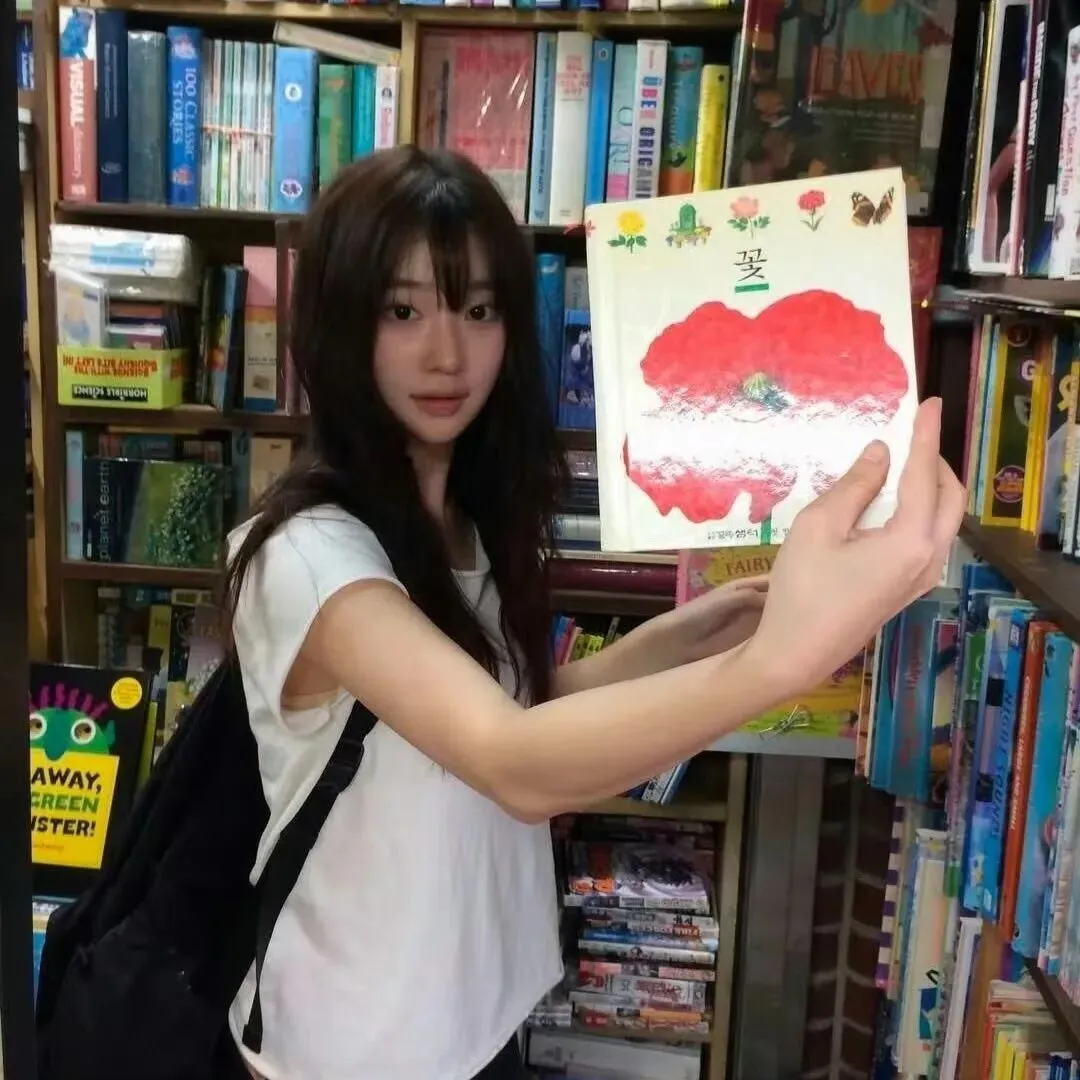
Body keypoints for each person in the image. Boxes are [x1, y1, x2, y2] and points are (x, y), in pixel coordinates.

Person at [223, 145, 965, 1080]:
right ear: (338, 323)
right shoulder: (308, 554)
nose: (447, 354)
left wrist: (685, 640)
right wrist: (776, 663)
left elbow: (509, 710)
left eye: (479, 310)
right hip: (353, 1044)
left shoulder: (460, 521)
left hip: (474, 1013)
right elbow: (510, 760)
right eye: (402, 311)